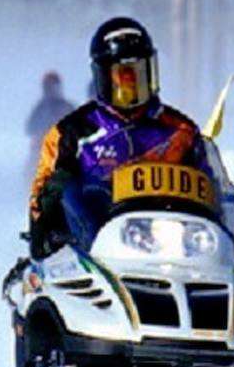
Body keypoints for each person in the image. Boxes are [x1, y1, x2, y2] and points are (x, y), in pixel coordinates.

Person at [28, 17, 208, 258]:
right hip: (94, 250)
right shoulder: (70, 133)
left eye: (138, 75)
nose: (131, 88)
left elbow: (210, 186)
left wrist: (231, 202)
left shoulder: (181, 130)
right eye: (122, 78)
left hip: (173, 248)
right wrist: (46, 227)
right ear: (102, 78)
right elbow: (43, 194)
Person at [26, 72, 75, 143]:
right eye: (48, 87)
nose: (51, 90)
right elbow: (30, 128)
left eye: (53, 87)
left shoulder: (67, 107)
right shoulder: (40, 108)